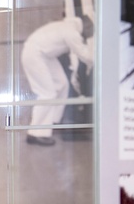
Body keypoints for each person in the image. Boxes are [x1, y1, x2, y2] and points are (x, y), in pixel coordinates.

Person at [21, 14, 94, 146]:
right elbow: (85, 55)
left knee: (62, 84)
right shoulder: (72, 32)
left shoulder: (68, 26)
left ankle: (52, 122)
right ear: (87, 25)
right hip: (35, 54)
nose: (91, 34)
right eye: (92, 30)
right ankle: (35, 133)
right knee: (47, 93)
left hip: (44, 55)